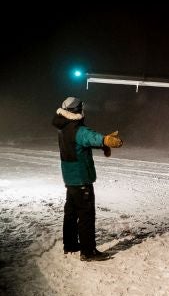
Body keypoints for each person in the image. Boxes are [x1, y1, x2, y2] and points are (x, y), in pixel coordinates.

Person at [52, 97, 123, 261]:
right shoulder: (78, 129)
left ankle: (70, 245)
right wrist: (105, 140)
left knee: (71, 212)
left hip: (70, 178)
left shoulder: (62, 128)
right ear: (77, 111)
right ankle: (88, 251)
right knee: (86, 214)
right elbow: (88, 136)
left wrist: (101, 144)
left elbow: (81, 142)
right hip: (81, 178)